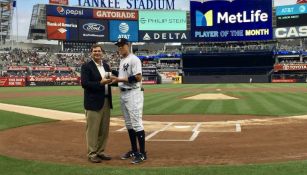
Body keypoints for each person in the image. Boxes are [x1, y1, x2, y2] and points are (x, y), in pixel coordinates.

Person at [111, 38, 147, 164]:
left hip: (133, 93)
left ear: (128, 45)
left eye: (122, 45)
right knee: (129, 124)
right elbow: (122, 77)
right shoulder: (122, 60)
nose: (120, 47)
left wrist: (118, 79)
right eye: (118, 46)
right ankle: (134, 150)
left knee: (136, 123)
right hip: (123, 94)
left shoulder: (134, 59)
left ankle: (142, 153)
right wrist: (112, 74)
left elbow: (138, 77)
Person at [81, 44, 113, 163]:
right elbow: (85, 84)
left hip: (105, 100)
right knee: (93, 130)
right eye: (95, 51)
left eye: (99, 51)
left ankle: (101, 151)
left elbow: (110, 80)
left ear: (102, 52)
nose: (97, 53)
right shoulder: (86, 66)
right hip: (93, 102)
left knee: (104, 130)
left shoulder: (105, 65)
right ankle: (92, 153)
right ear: (91, 53)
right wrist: (100, 83)